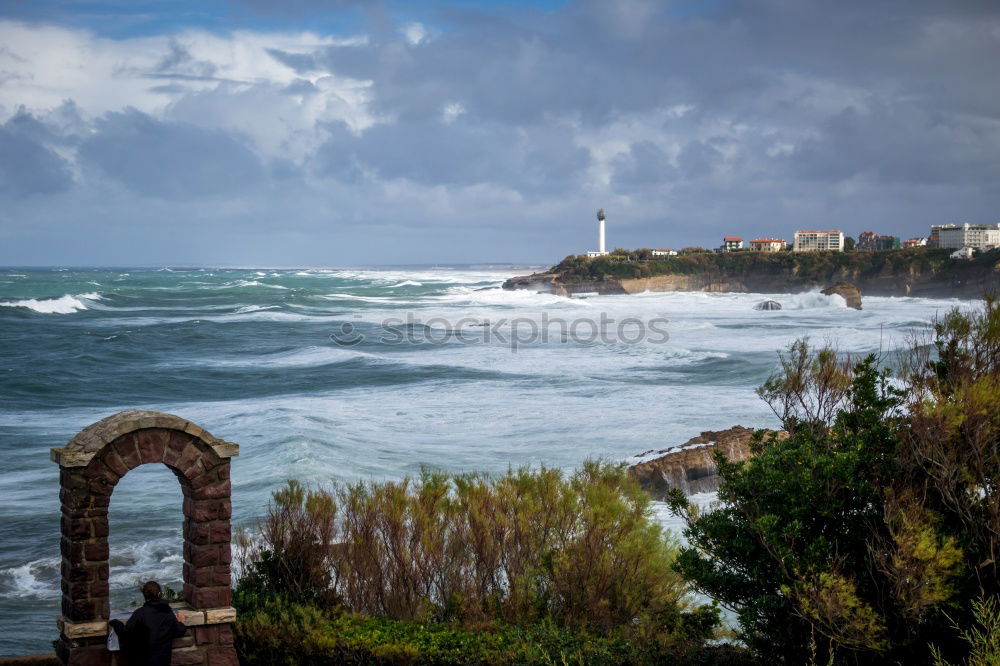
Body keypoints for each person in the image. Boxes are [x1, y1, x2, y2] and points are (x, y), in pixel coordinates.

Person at [109, 581, 187, 666]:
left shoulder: (139, 614)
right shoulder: (167, 612)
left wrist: (116, 623)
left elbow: (125, 635)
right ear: (159, 594)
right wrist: (181, 622)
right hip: (162, 662)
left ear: (144, 596)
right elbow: (179, 631)